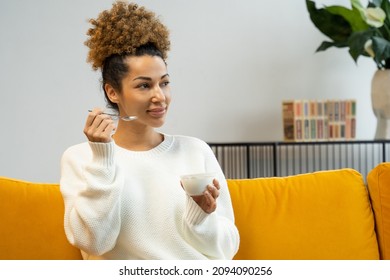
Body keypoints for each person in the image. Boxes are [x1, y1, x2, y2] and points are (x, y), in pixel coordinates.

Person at [60, 0, 240, 260]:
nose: (160, 97)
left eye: (164, 83)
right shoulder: (80, 159)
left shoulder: (195, 150)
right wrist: (102, 159)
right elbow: (94, 243)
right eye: (144, 86)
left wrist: (201, 218)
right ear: (112, 92)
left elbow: (227, 250)